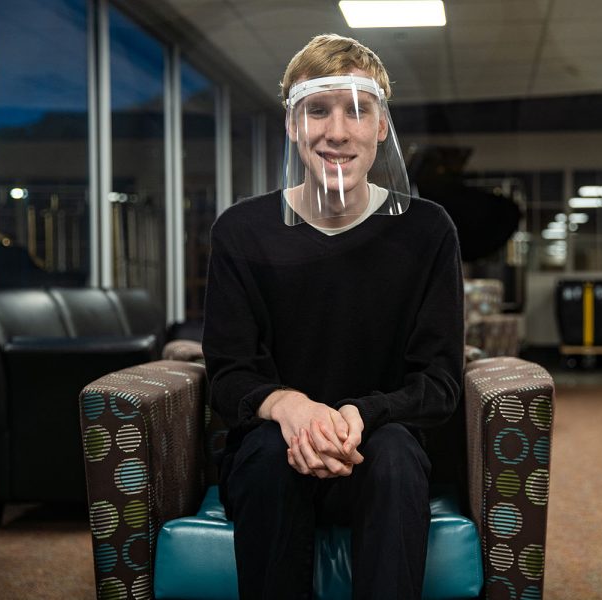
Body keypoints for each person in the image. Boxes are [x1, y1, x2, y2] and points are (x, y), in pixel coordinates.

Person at [202, 33, 464, 600]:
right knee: (269, 451)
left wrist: (358, 414)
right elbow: (229, 374)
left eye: (357, 110)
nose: (337, 131)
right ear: (294, 126)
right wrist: (290, 408)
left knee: (395, 454)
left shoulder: (427, 230)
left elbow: (439, 383)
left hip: (380, 451)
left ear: (382, 126)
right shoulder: (241, 231)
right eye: (317, 110)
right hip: (273, 455)